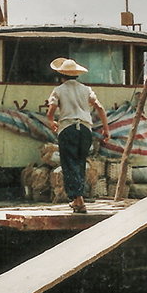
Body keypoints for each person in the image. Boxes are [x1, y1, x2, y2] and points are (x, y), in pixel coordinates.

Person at [46, 57, 110, 213]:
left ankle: (78, 200)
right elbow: (99, 108)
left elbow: (51, 110)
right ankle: (77, 199)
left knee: (69, 164)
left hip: (68, 129)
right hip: (85, 130)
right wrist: (106, 129)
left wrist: (51, 121)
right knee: (80, 164)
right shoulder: (86, 89)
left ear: (62, 76)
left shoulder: (59, 90)